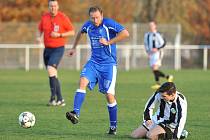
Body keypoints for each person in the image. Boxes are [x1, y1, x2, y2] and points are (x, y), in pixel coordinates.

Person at [65, 6, 129, 135]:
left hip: (109, 65)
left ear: (102, 15)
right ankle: (75, 113)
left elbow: (125, 33)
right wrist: (73, 48)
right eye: (92, 18)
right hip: (93, 62)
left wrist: (109, 42)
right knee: (82, 81)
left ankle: (113, 127)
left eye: (97, 17)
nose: (95, 20)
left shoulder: (108, 24)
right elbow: (80, 32)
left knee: (109, 96)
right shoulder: (88, 25)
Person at [37, 0, 75, 106]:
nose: (53, 8)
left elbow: (72, 31)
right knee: (53, 74)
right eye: (51, 6)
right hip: (47, 49)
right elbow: (40, 29)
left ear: (58, 7)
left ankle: (52, 99)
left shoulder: (63, 17)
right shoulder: (45, 17)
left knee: (50, 69)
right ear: (48, 7)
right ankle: (60, 99)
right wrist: (39, 37)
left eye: (54, 6)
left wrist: (59, 35)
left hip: (58, 48)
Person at [144, 21, 173, 90]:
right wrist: (147, 52)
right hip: (151, 54)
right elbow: (145, 44)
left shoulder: (157, 34)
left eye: (152, 25)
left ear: (155, 26)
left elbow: (163, 43)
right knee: (154, 70)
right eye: (150, 25)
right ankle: (166, 78)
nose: (150, 27)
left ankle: (161, 81)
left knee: (155, 68)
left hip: (157, 53)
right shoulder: (147, 35)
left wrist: (157, 48)